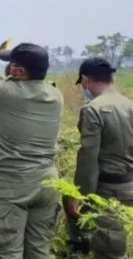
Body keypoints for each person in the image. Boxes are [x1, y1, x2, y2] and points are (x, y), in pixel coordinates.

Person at [0, 43, 63, 259]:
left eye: (12, 65)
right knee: (38, 251)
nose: (8, 68)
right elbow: (14, 92)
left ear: (19, 72)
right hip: (45, 186)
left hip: (9, 188)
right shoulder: (54, 95)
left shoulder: (6, 93)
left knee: (7, 254)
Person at [64, 57, 133, 259]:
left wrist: (80, 194)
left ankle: (79, 249)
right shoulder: (129, 104)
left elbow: (88, 159)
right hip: (129, 183)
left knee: (109, 248)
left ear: (85, 79)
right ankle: (82, 248)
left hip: (107, 189)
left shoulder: (93, 109)